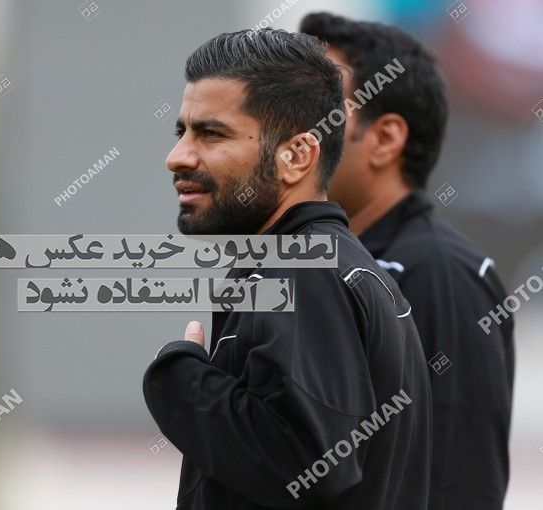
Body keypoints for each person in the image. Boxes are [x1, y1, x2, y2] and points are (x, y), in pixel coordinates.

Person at [142, 28, 431, 510]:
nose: (178, 157)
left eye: (211, 133)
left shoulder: (303, 273)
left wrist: (181, 380)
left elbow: (309, 463)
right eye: (182, 132)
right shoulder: (322, 264)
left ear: (296, 156)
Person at [300, 13, 515, 510]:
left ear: (384, 139)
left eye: (314, 106)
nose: (286, 127)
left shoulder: (440, 274)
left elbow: (459, 485)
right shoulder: (321, 262)